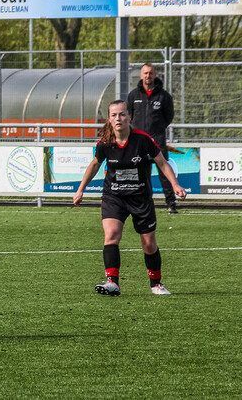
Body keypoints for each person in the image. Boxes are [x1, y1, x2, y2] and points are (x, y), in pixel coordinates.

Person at [73, 100, 187, 297]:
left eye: (122, 114)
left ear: (129, 117)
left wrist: (175, 185)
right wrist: (80, 189)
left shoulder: (143, 139)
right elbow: (94, 165)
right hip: (114, 196)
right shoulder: (105, 143)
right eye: (114, 115)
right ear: (109, 119)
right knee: (111, 235)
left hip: (140, 197)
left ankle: (156, 284)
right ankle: (112, 283)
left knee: (148, 243)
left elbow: (162, 162)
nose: (119, 118)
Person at [126, 62, 178, 213]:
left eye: (150, 73)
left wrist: (158, 130)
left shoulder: (164, 96)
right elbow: (130, 116)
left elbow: (169, 117)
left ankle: (171, 203)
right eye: (145, 73)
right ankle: (144, 203)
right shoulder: (133, 95)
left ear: (155, 75)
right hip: (139, 142)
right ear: (141, 75)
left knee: (164, 172)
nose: (148, 76)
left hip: (157, 141)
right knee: (142, 174)